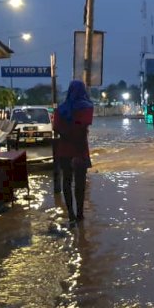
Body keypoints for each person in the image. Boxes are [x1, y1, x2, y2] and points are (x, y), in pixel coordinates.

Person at [54, 80, 94, 221]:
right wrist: (78, 148)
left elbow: (56, 128)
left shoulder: (60, 109)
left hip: (64, 149)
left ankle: (70, 214)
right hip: (80, 150)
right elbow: (83, 129)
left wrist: (68, 136)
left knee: (67, 181)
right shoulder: (87, 108)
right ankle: (80, 214)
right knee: (80, 183)